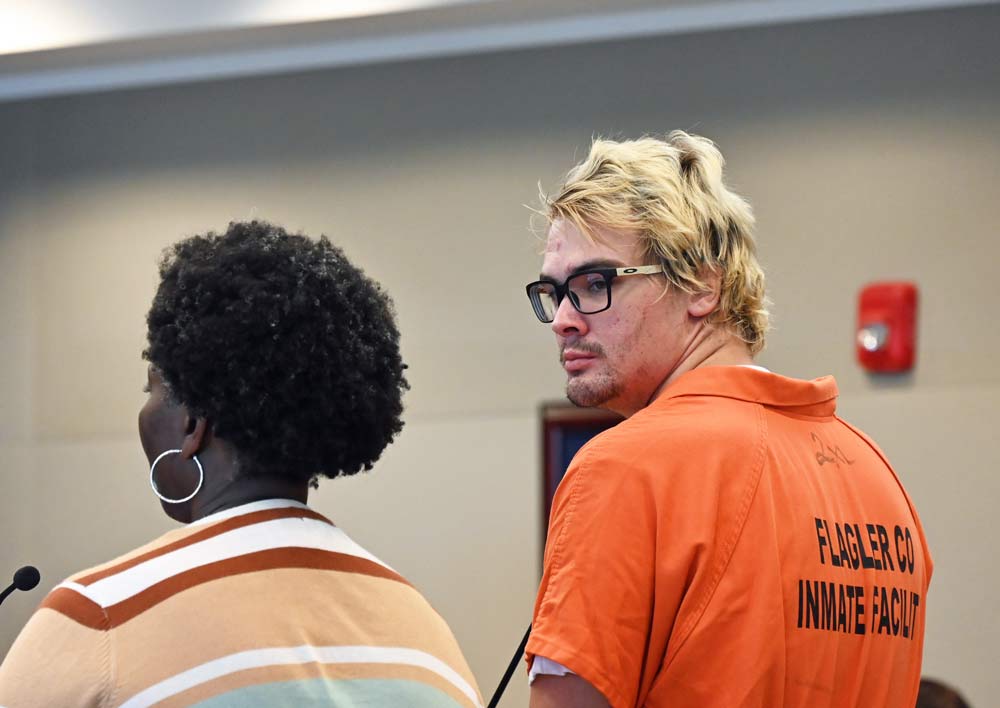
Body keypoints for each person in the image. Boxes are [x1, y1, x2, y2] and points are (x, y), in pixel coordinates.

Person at [522, 132, 932, 708]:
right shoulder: (878, 480)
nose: (562, 318)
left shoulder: (623, 469)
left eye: (595, 283)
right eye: (553, 291)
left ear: (701, 286)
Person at [0, 221, 483, 708]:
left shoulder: (99, 617)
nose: (147, 411)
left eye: (153, 390)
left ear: (192, 424)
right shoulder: (427, 635)